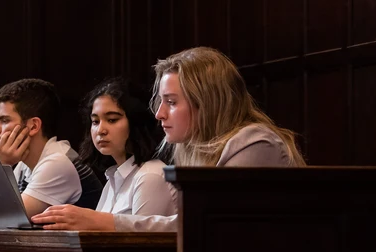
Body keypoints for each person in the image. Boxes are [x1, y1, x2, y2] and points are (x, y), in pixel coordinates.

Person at [32, 47, 305, 231]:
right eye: (160, 102)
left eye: (171, 102)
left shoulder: (254, 142)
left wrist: (105, 222)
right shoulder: (191, 149)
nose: (160, 114)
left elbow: (206, 227)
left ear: (207, 103)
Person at [25, 78, 176, 230]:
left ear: (136, 122)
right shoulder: (113, 177)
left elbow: (143, 247)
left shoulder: (150, 175)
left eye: (112, 120)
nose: (101, 130)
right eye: (95, 122)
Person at [0, 78, 102, 223]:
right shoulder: (23, 165)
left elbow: (4, 219)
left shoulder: (57, 163)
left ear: (33, 126)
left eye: (5, 120)